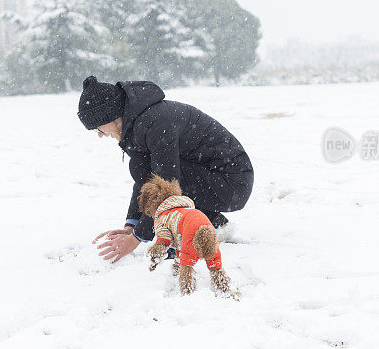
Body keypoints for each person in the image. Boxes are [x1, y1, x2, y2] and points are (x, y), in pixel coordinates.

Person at [77, 76, 254, 263]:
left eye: (98, 128)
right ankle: (212, 222)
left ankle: (178, 234)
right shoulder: (139, 122)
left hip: (232, 182)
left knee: (162, 180)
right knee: (142, 167)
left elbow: (164, 185)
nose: (99, 135)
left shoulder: (156, 121)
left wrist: (135, 239)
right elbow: (146, 180)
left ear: (112, 116)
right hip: (213, 178)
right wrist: (132, 224)